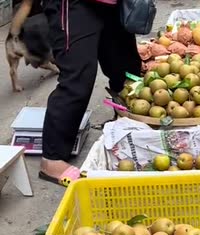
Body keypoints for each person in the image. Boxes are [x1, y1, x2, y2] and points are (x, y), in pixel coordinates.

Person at [39, 0, 142, 186]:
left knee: (126, 68)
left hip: (112, 4)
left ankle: (127, 122)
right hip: (75, 5)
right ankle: (52, 160)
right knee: (78, 77)